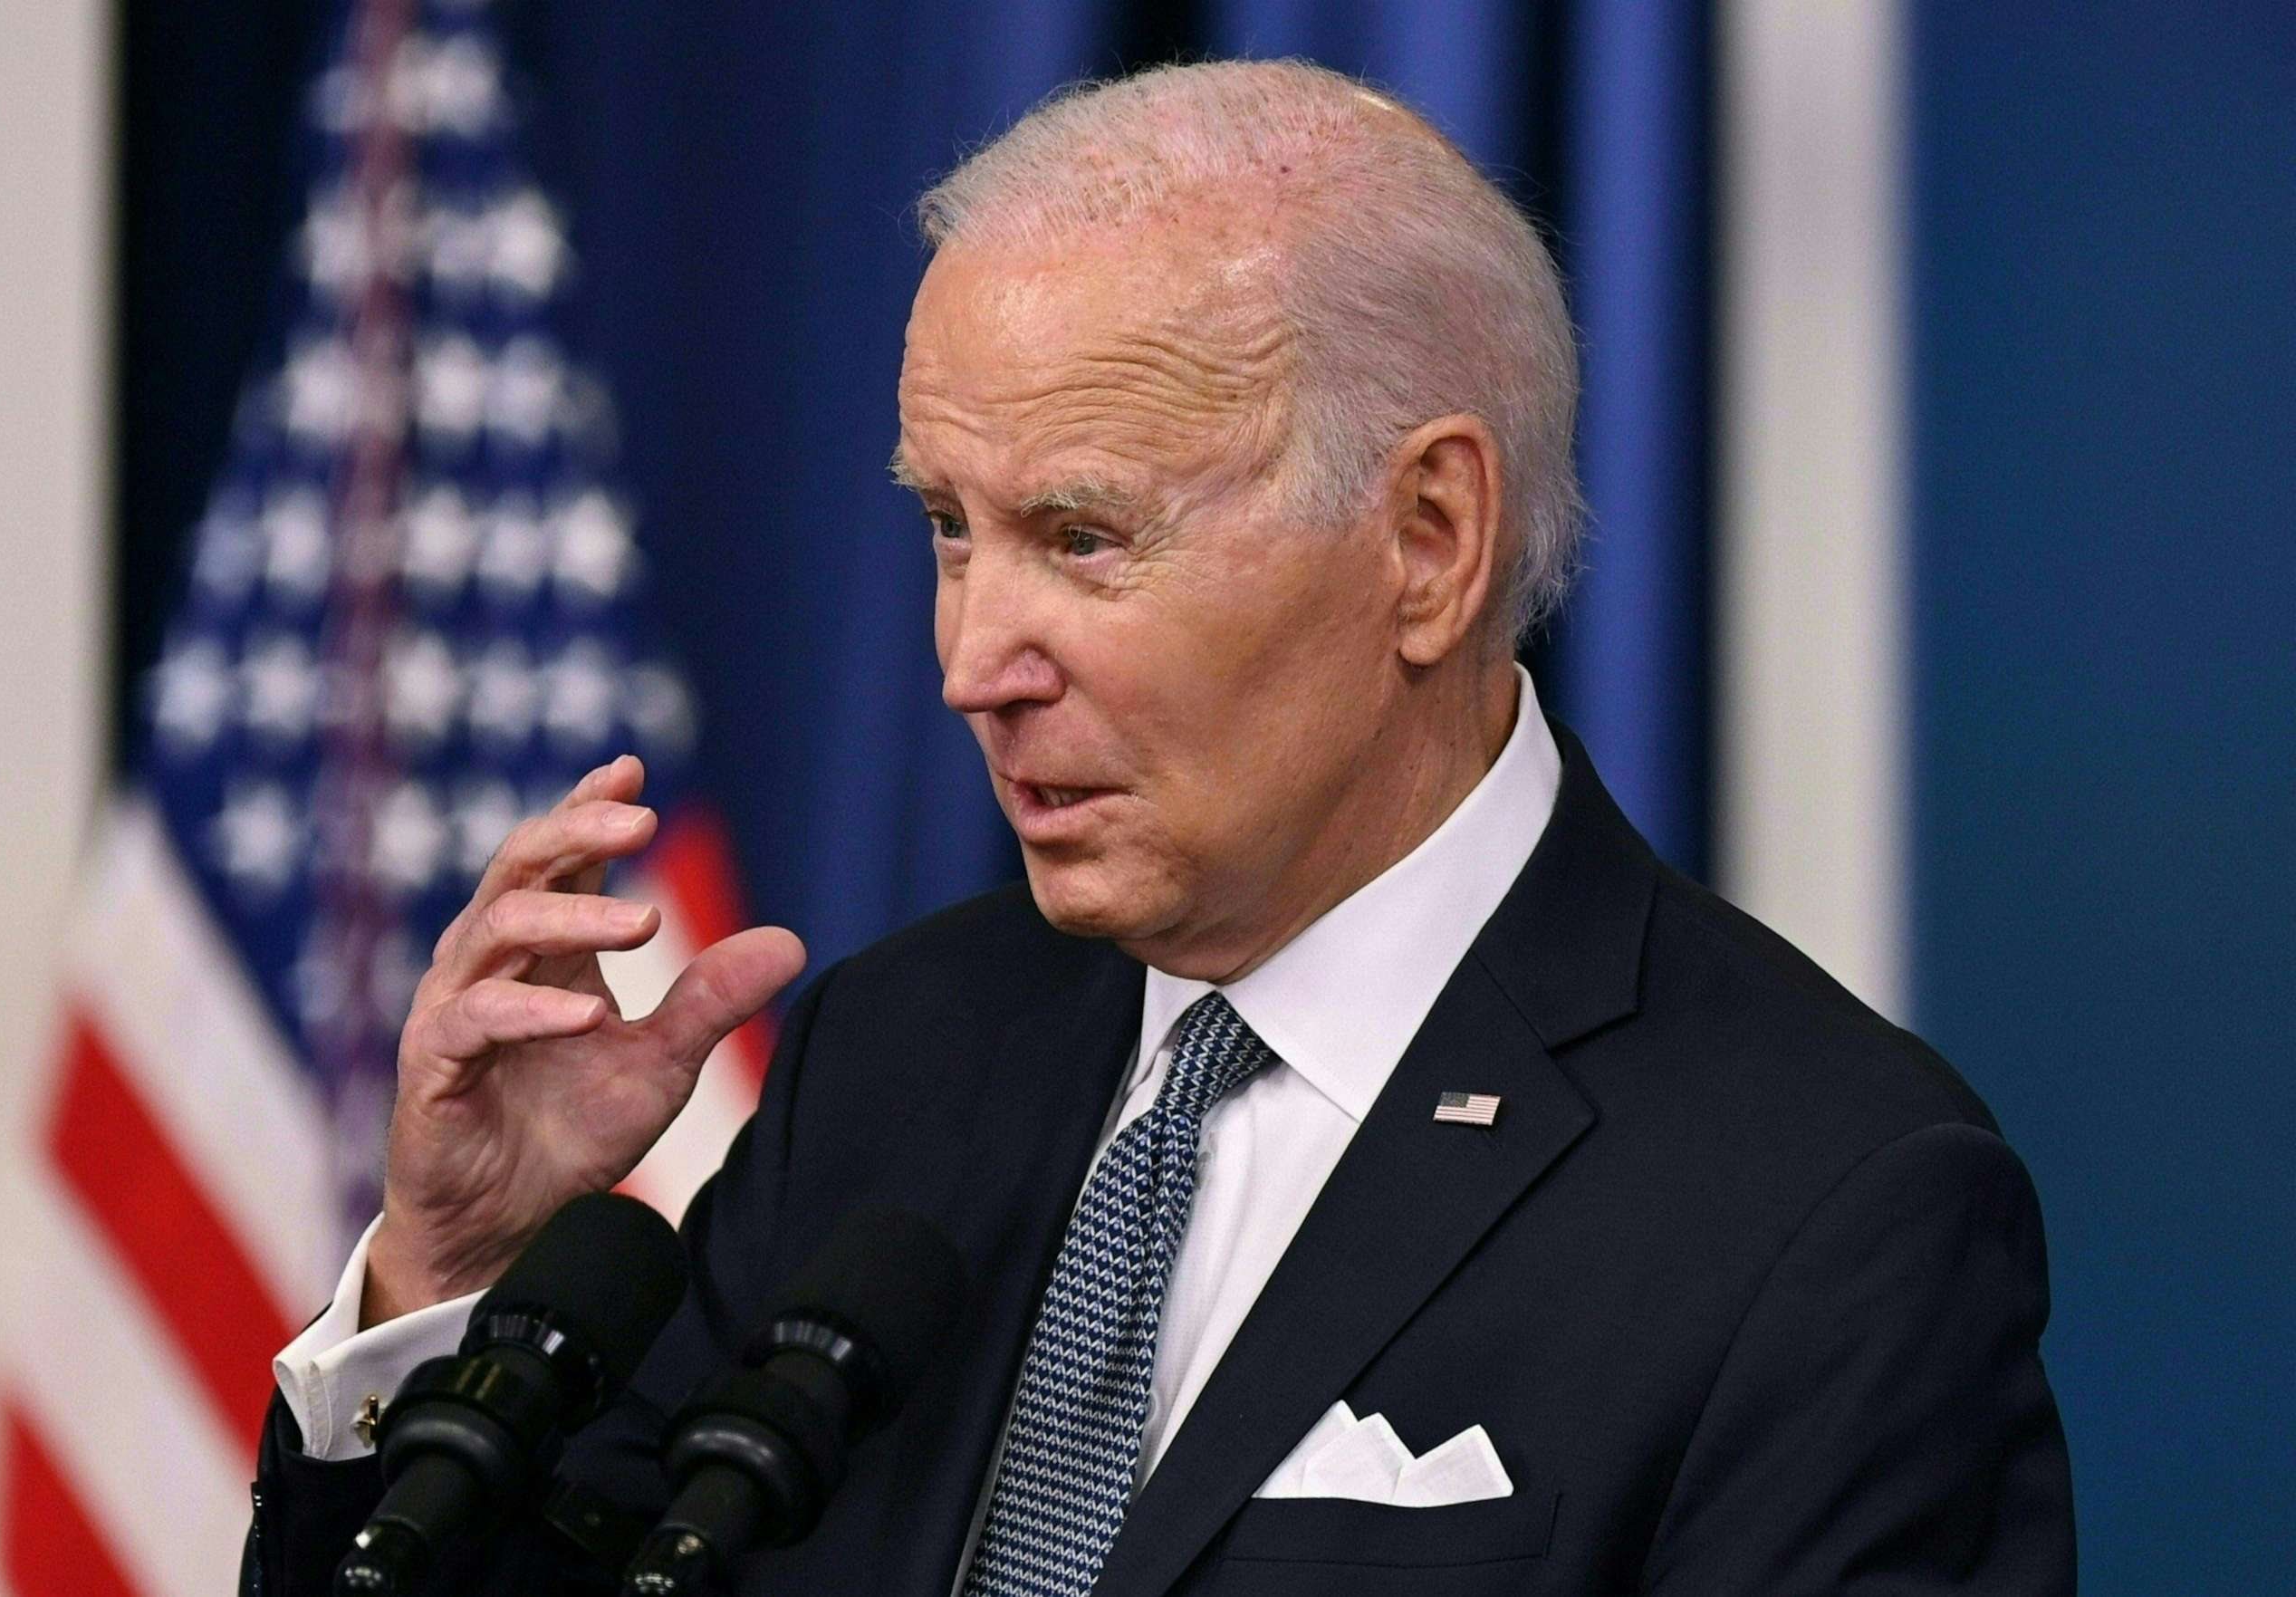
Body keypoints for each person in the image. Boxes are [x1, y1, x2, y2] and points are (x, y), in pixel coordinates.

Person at [248, 60, 2074, 1596]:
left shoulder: (1829, 1212)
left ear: (1426, 542)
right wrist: (450, 1283)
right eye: (949, 528)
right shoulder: (899, 1058)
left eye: (1083, 537)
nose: (973, 660)